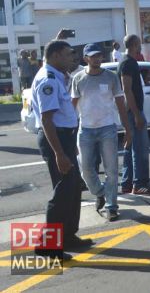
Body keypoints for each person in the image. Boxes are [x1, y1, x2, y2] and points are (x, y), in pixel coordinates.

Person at [31, 40, 93, 261]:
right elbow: (47, 120)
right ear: (56, 56)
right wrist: (59, 153)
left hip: (64, 138)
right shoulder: (48, 80)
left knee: (74, 187)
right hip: (55, 139)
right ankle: (47, 244)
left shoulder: (56, 75)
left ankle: (68, 235)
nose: (72, 58)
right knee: (63, 190)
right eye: (68, 55)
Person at [71, 43, 132, 222]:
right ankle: (100, 193)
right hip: (86, 130)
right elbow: (71, 108)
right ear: (86, 58)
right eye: (93, 56)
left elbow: (121, 105)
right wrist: (70, 133)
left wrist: (128, 129)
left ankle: (111, 206)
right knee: (86, 170)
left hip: (108, 128)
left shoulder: (111, 77)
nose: (97, 58)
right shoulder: (78, 79)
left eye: (99, 55)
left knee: (111, 170)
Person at [118, 34, 150, 195]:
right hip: (134, 112)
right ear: (134, 45)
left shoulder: (128, 62)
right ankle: (139, 184)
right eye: (139, 43)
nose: (141, 46)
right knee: (140, 149)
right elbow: (127, 90)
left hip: (132, 111)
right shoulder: (127, 63)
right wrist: (137, 114)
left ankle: (127, 183)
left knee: (131, 148)